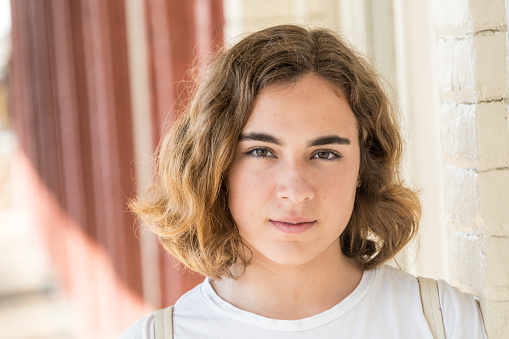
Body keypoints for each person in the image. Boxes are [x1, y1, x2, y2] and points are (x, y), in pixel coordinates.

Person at [120, 24, 487, 338]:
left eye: (325, 154)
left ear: (365, 167)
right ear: (215, 166)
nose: (295, 190)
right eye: (262, 152)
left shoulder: (445, 322)